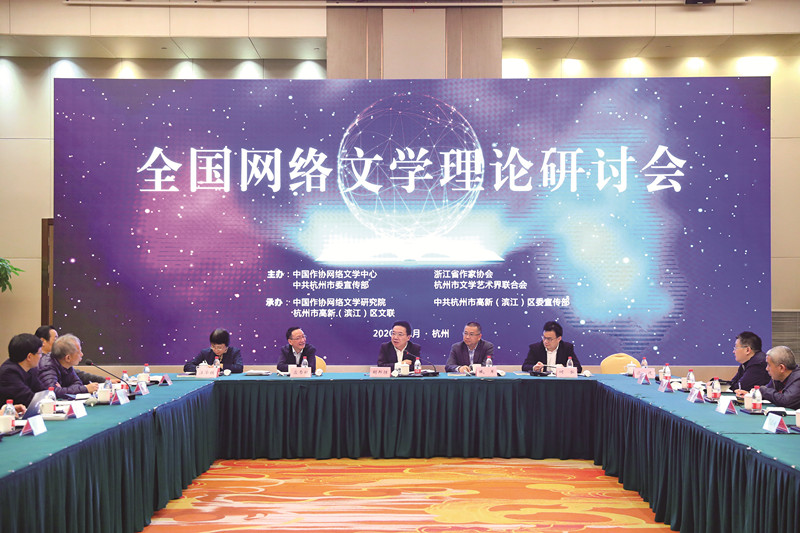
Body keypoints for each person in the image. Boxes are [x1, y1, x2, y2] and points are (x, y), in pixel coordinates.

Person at [35, 325, 107, 385]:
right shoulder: (44, 363)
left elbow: (77, 380)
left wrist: (103, 380)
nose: (58, 343)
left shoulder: (59, 361)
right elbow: (52, 390)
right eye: (55, 339)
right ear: (42, 341)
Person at [0, 333, 46, 407]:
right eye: (40, 353)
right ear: (29, 357)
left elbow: (43, 393)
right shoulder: (8, 373)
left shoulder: (31, 369)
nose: (41, 356)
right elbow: (29, 399)